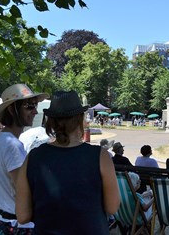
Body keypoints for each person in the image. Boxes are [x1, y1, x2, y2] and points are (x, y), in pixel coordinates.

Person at [15, 90, 120, 234]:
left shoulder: (33, 157)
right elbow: (112, 207)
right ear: (79, 119)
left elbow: (22, 216)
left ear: (50, 121)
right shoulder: (100, 156)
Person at [0, 83, 48, 234]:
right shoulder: (12, 145)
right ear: (12, 110)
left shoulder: (0, 139)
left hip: (2, 221)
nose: (35, 111)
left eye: (36, 106)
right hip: (16, 226)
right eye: (29, 106)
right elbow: (23, 191)